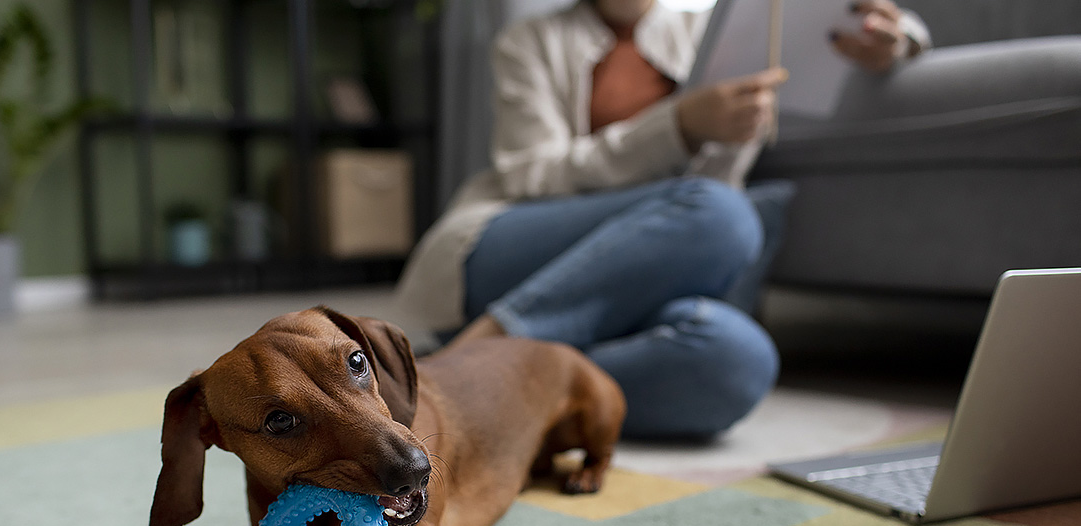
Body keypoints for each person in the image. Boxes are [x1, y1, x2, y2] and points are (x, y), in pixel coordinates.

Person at [395, 0, 931, 439]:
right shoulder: (529, 40)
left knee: (738, 361)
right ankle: (483, 347)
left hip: (646, 274)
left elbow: (845, 23)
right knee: (721, 212)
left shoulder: (717, 30)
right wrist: (678, 127)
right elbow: (533, 175)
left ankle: (510, 389)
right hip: (513, 239)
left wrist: (898, 36)